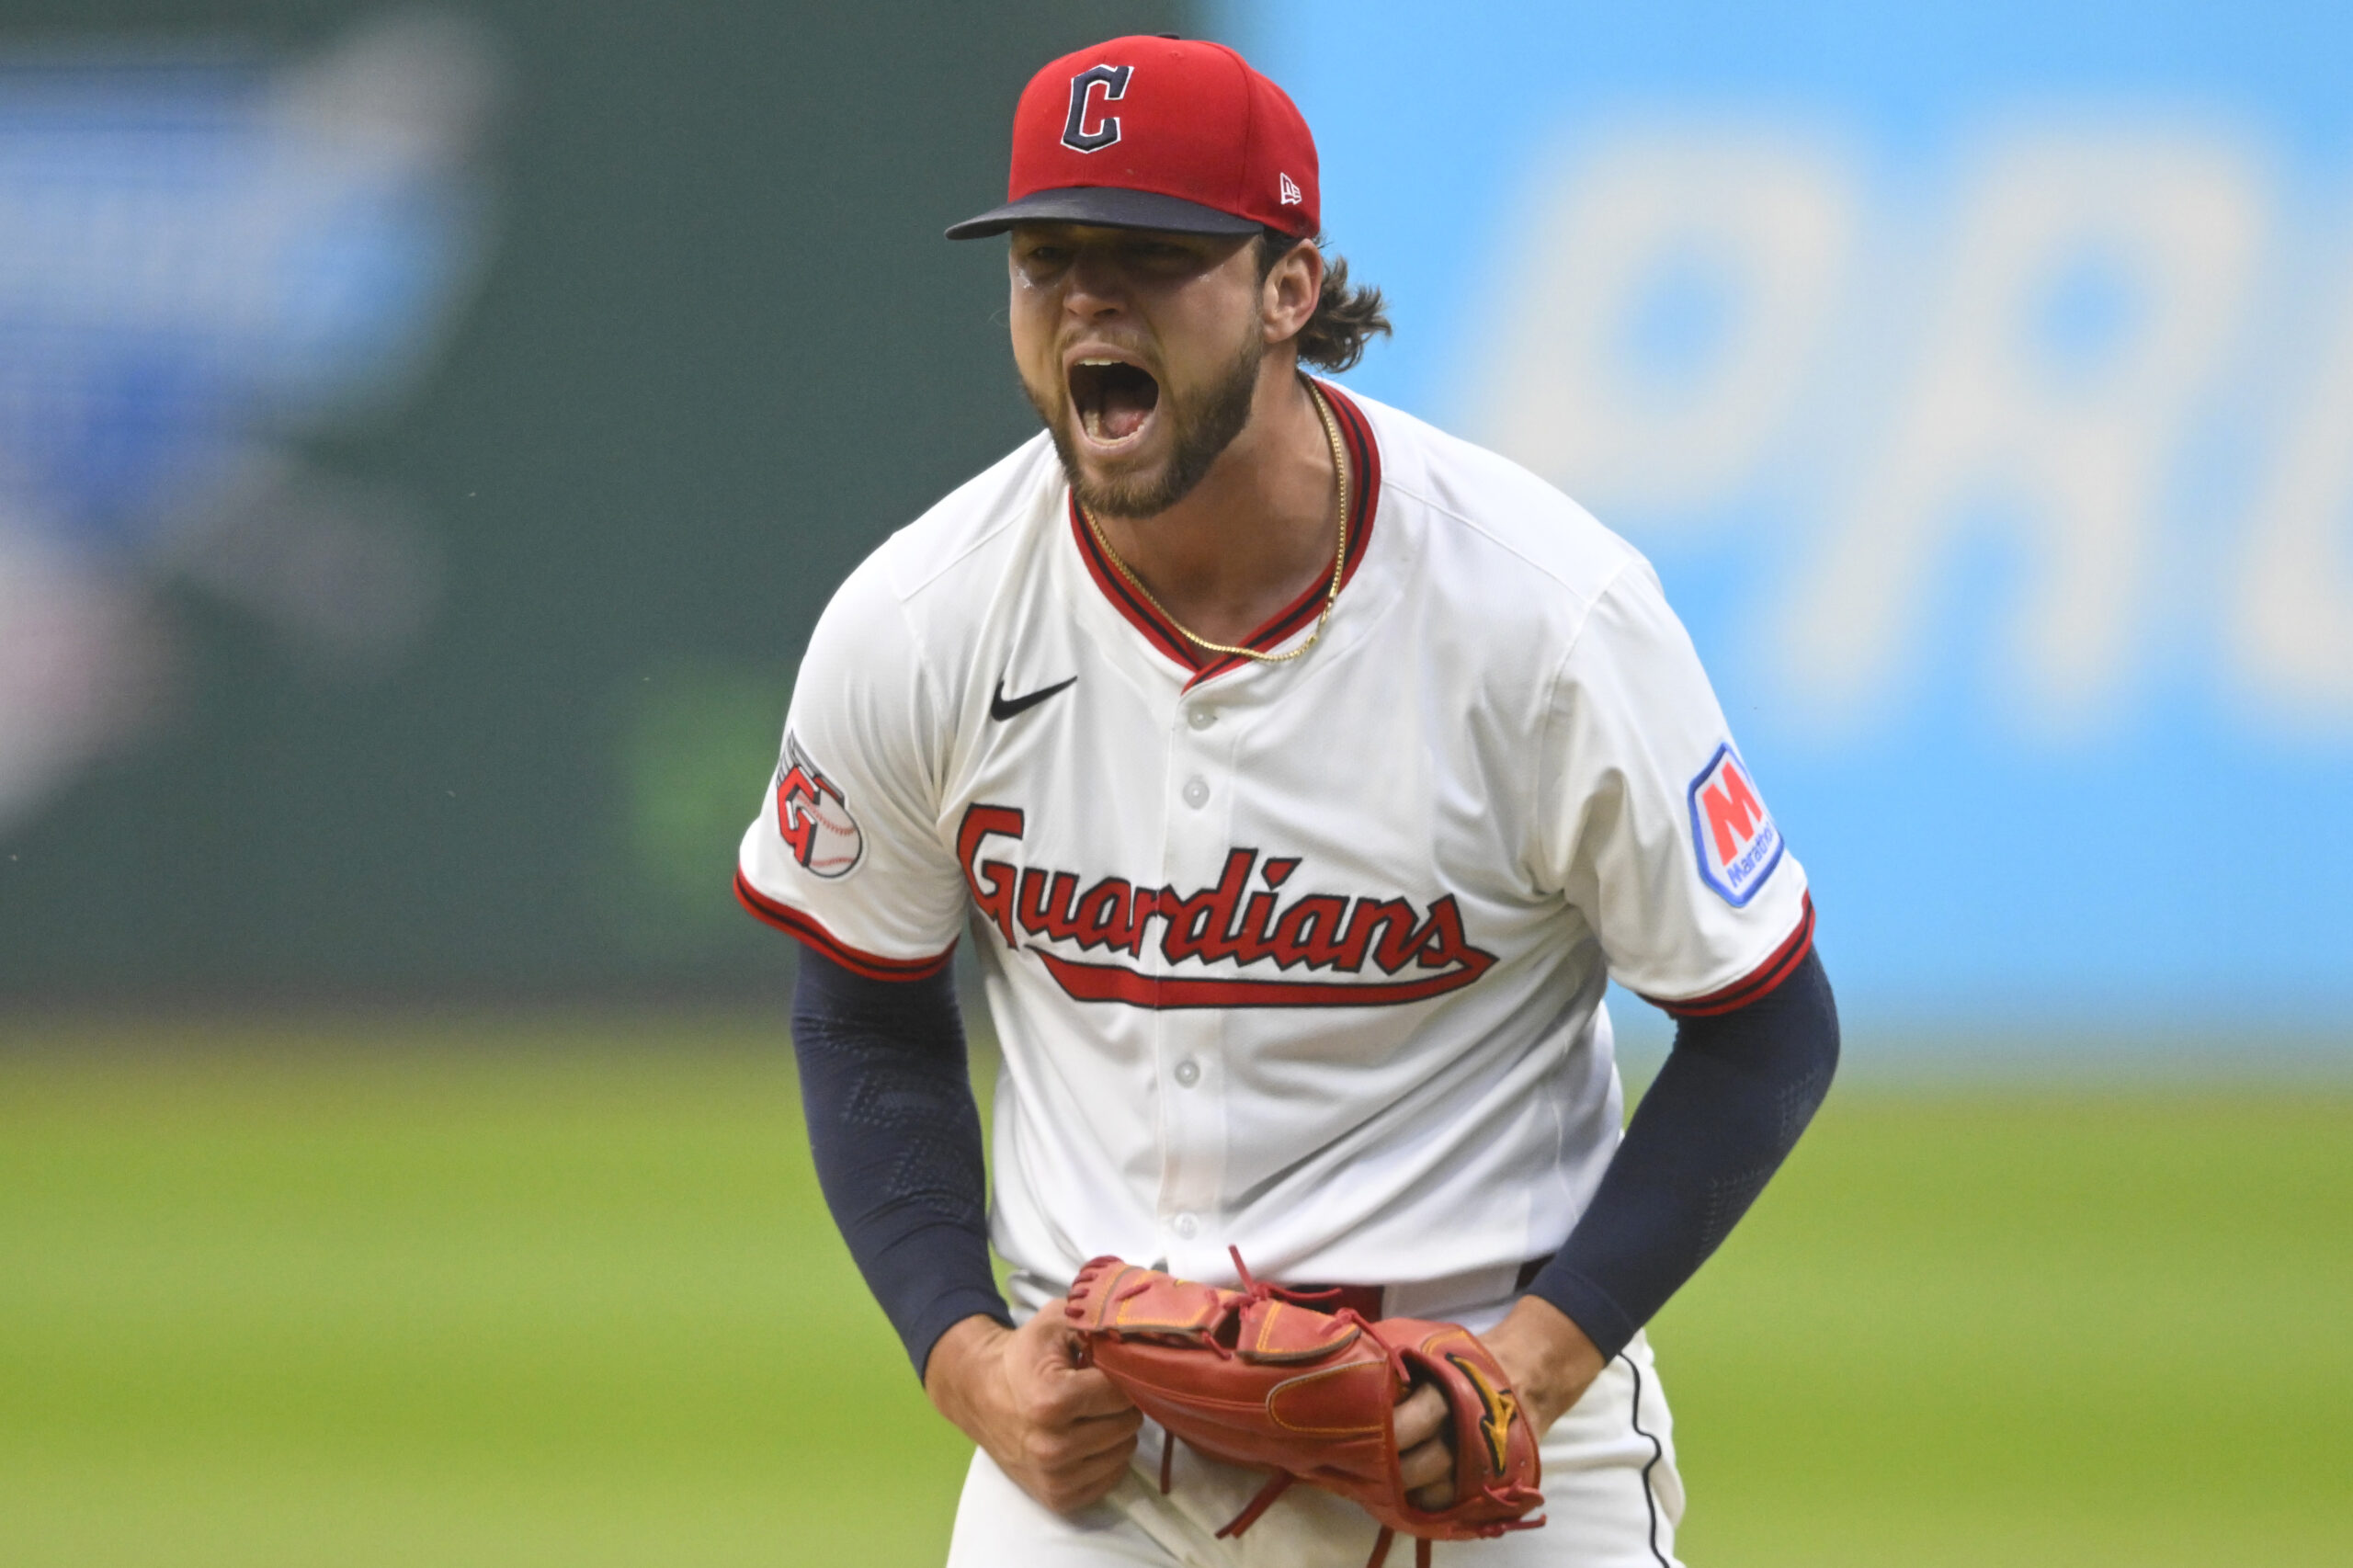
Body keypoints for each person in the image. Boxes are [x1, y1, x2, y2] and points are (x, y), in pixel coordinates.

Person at [736, 34, 1839, 1568]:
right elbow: (858, 1009)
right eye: (1048, 260)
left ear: (1288, 287)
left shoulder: (1544, 618)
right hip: (1102, 1458)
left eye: (1150, 255)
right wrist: (968, 1358)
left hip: (1486, 1435)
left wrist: (1534, 1363)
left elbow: (1766, 1022)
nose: (1087, 306)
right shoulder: (922, 618)